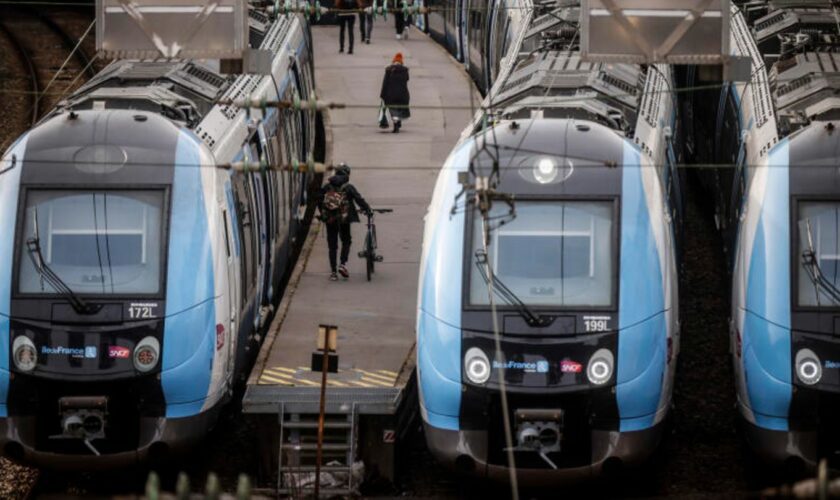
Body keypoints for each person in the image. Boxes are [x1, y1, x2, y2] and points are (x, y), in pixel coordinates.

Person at [319, 163, 371, 281]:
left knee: (332, 246)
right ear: (347, 174)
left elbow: (319, 199)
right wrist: (368, 209)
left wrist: (323, 214)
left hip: (330, 219)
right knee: (346, 241)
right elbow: (359, 199)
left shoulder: (327, 186)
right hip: (344, 219)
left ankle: (333, 272)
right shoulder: (348, 187)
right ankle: (342, 265)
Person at [380, 52, 410, 133]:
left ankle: (396, 124)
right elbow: (407, 79)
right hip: (403, 95)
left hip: (391, 95)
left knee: (393, 110)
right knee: (400, 108)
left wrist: (382, 95)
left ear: (393, 61)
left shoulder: (389, 70)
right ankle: (398, 121)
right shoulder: (405, 71)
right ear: (401, 62)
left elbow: (385, 83)